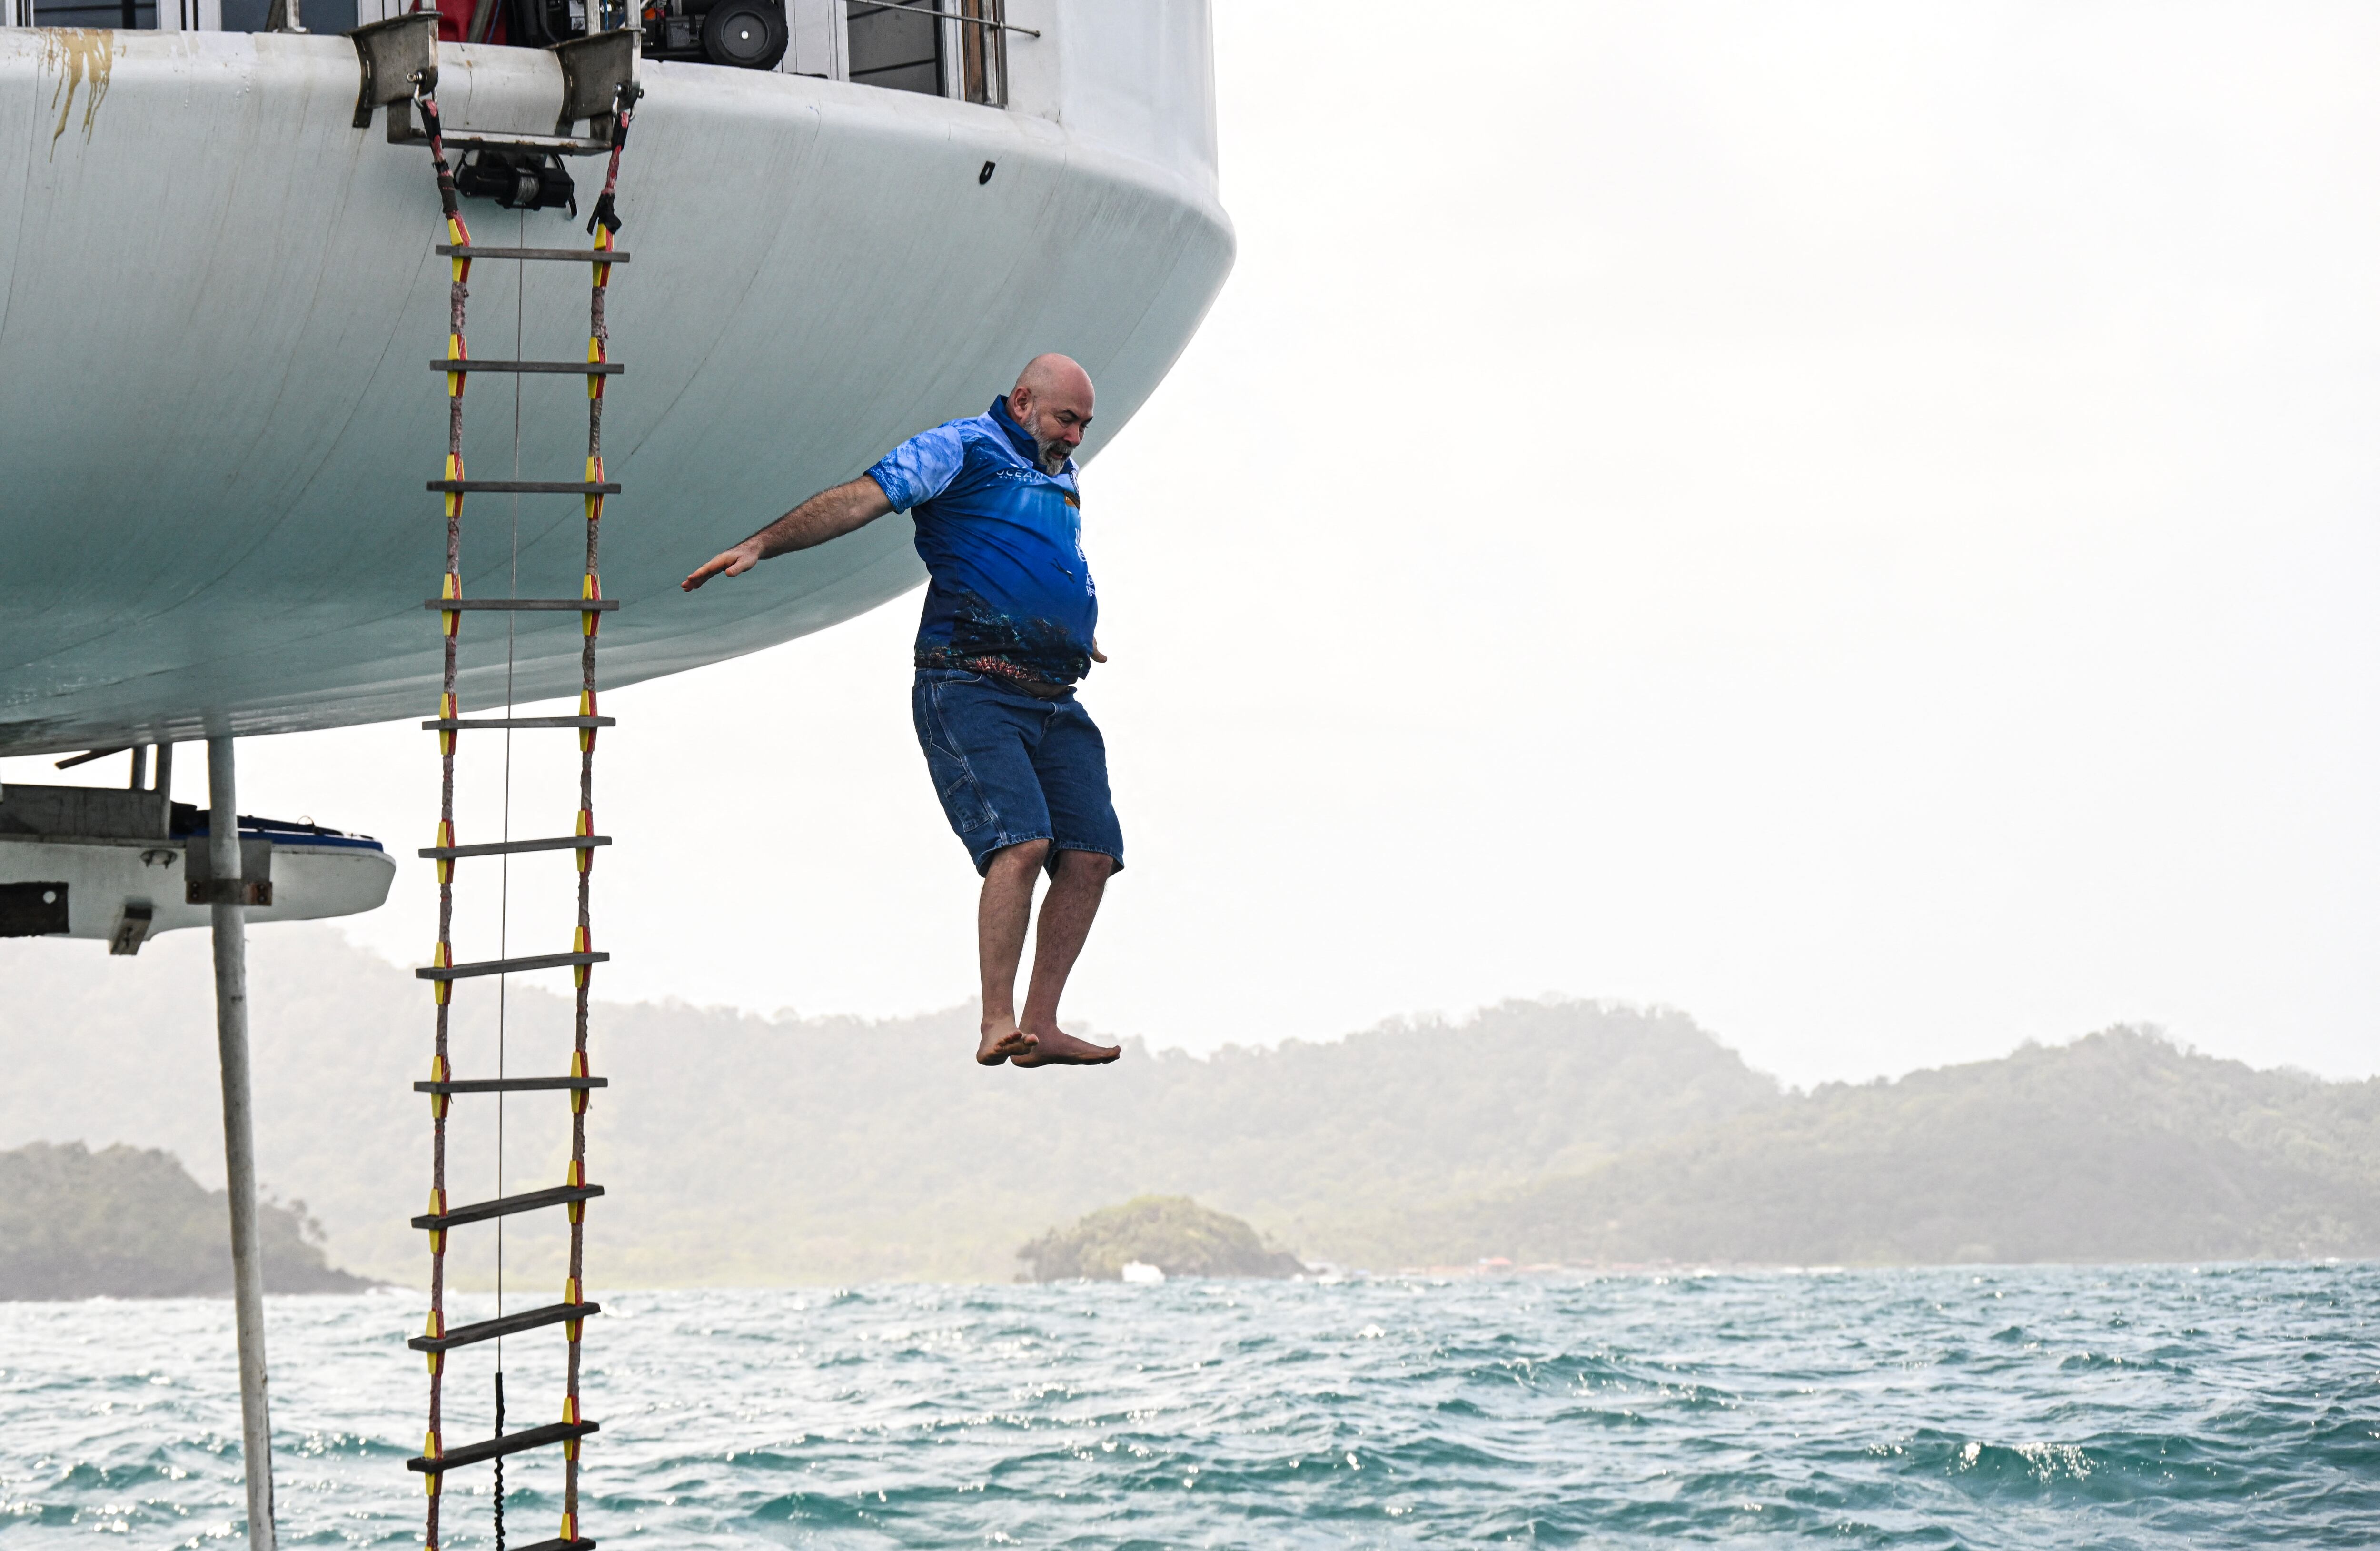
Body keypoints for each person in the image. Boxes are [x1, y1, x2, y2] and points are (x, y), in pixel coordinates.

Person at [683, 354, 1125, 1070]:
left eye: (1084, 424)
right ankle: (996, 1020)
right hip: (969, 684)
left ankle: (1041, 1024)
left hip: (1054, 693)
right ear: (1021, 401)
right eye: (1065, 419)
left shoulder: (1059, 473)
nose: (1076, 436)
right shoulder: (960, 447)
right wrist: (764, 542)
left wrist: (1069, 625)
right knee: (1023, 843)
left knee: (1094, 852)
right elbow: (860, 498)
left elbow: (1040, 557)